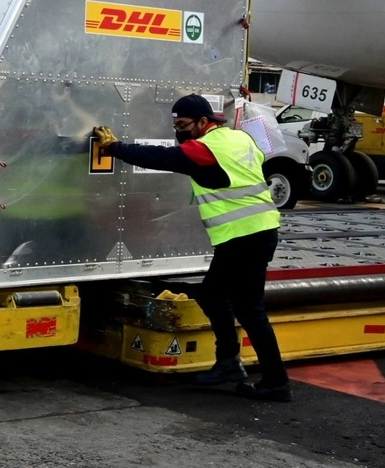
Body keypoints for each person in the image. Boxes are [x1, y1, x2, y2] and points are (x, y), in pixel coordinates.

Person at [93, 94, 291, 402]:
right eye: (175, 125)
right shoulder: (239, 138)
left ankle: (275, 382)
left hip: (244, 236)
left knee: (248, 309)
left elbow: (159, 158)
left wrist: (114, 147)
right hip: (257, 231)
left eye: (183, 125)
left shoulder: (203, 148)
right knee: (215, 294)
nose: (179, 131)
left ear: (203, 122)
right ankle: (229, 362)